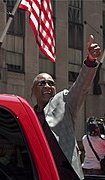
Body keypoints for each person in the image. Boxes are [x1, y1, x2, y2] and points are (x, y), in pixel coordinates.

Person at [31, 35, 102, 180]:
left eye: (51, 83)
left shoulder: (64, 101)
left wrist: (90, 61)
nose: (47, 86)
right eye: (42, 83)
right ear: (33, 90)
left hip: (65, 174)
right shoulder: (29, 116)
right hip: (38, 173)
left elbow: (81, 86)